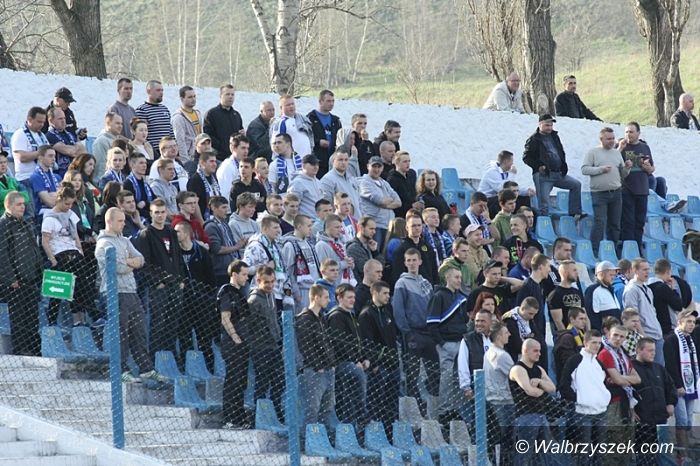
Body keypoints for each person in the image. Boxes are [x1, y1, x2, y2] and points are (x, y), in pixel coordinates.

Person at [95, 207, 166, 382]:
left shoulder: (124, 241)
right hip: (115, 293)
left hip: (131, 291)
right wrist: (130, 263)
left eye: (124, 220)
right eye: (120, 221)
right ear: (109, 221)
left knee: (139, 331)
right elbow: (118, 268)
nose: (123, 224)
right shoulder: (104, 244)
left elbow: (141, 259)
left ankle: (146, 368)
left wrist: (129, 262)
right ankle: (121, 370)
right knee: (121, 333)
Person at [134, 199, 184, 353]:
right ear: (151, 214)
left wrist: (181, 279)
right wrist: (156, 282)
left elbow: (178, 257)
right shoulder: (146, 234)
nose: (160, 215)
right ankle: (155, 355)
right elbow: (144, 262)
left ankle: (170, 354)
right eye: (157, 212)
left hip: (175, 283)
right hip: (158, 286)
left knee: (173, 321)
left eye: (163, 212)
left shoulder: (171, 232)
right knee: (158, 321)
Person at [393, 248, 439, 408]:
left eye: (414, 260)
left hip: (428, 334)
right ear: (405, 263)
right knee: (412, 374)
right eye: (409, 260)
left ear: (420, 261)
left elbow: (433, 308)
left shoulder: (426, 283)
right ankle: (414, 408)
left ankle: (432, 408)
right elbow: (398, 311)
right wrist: (407, 333)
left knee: (434, 372)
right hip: (413, 334)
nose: (412, 263)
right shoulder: (401, 283)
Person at [558, 330, 609, 465]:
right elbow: (563, 386)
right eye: (594, 342)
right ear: (585, 342)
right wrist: (580, 400)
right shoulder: (574, 360)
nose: (597, 346)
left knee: (601, 452)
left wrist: (603, 398)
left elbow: (603, 384)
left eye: (599, 343)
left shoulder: (598, 363)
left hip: (601, 412)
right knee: (583, 453)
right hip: (582, 413)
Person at [0, 191, 42, 355]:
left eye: (24, 204)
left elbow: (34, 250)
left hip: (31, 279)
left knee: (33, 317)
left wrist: (40, 273)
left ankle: (34, 350)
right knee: (19, 318)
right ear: (8, 205)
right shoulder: (3, 225)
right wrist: (11, 278)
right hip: (16, 281)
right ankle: (21, 350)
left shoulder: (25, 223)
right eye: (19, 204)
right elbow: (2, 254)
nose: (23, 207)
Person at [427, 267, 469, 423]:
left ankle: (455, 408)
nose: (459, 280)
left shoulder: (461, 297)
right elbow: (431, 323)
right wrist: (441, 343)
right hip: (446, 344)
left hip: (461, 342)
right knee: (446, 378)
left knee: (460, 377)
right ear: (448, 278)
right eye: (456, 277)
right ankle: (444, 411)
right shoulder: (438, 297)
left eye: (460, 277)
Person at [174, 220, 217, 369]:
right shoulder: (175, 253)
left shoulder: (200, 252)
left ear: (186, 233)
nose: (175, 234)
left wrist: (209, 297)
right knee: (184, 336)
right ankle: (187, 367)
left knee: (204, 336)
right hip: (183, 301)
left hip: (202, 301)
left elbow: (210, 276)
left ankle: (209, 368)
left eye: (178, 231)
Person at [581, 127, 631, 254]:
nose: (611, 141)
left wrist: (627, 168)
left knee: (615, 224)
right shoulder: (593, 152)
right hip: (599, 194)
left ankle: (612, 250)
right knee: (600, 222)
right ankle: (595, 251)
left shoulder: (616, 153)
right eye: (608, 139)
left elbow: (623, 174)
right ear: (601, 139)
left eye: (613, 138)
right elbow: (584, 169)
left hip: (616, 192)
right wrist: (601, 169)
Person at [523, 114, 583, 217]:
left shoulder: (554, 136)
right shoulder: (533, 139)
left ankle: (575, 213)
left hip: (558, 173)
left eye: (551, 125)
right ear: (540, 124)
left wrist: (563, 166)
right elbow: (526, 157)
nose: (550, 128)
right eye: (547, 125)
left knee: (576, 185)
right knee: (544, 205)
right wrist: (538, 166)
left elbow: (560, 152)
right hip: (543, 176)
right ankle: (543, 224)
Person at [326, 284, 369, 428]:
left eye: (354, 297)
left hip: (354, 361)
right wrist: (355, 361)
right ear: (339, 298)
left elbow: (359, 341)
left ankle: (359, 421)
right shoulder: (336, 316)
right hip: (342, 362)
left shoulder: (352, 315)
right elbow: (340, 343)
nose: (353, 300)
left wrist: (364, 358)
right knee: (356, 374)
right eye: (349, 297)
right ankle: (361, 415)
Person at [358, 281, 400, 427]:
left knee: (392, 401)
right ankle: (374, 429)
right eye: (385, 293)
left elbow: (393, 336)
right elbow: (367, 341)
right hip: (378, 366)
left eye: (389, 293)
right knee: (376, 400)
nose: (388, 296)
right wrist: (374, 362)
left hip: (392, 363)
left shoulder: (387, 311)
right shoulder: (366, 314)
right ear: (375, 293)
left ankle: (390, 429)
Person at [598, 324, 641, 466]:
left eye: (622, 336)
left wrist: (621, 378)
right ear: (608, 335)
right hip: (612, 403)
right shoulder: (605, 353)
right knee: (614, 441)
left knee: (627, 441)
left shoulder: (623, 354)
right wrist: (622, 379)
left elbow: (638, 379)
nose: (618, 339)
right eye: (615, 335)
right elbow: (618, 380)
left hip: (626, 401)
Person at [509, 339, 556, 466]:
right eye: (535, 351)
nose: (539, 354)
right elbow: (530, 391)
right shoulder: (518, 369)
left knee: (545, 453)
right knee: (524, 455)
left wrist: (540, 382)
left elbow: (552, 388)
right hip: (525, 417)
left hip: (541, 415)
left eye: (539, 351)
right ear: (525, 351)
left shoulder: (539, 369)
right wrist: (543, 390)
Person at [247, 266, 285, 420]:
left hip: (274, 345)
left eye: (272, 281)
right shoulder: (254, 300)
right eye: (266, 282)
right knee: (262, 382)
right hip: (260, 347)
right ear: (258, 281)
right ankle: (259, 414)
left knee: (279, 380)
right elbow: (250, 325)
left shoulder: (271, 296)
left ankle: (276, 411)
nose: (270, 285)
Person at [296, 284, 336, 430]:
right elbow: (306, 346)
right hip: (314, 370)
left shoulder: (321, 318)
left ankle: (325, 436)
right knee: (312, 408)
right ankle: (308, 437)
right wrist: (317, 366)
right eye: (326, 297)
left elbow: (327, 343)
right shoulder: (304, 319)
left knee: (327, 408)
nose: (329, 300)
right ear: (316, 298)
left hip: (328, 368)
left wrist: (332, 363)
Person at [218, 260, 253, 428]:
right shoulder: (227, 292)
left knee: (241, 380)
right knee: (233, 379)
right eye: (244, 274)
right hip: (233, 344)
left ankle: (239, 416)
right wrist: (235, 338)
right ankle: (230, 417)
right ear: (234, 274)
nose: (246, 277)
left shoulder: (239, 293)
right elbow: (225, 318)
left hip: (243, 343)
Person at [632, 337, 677, 466]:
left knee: (664, 453)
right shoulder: (631, 368)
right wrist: (631, 410)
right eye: (649, 350)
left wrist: (671, 403)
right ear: (638, 350)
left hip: (661, 418)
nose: (653, 353)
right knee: (644, 456)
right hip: (642, 421)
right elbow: (626, 391)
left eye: (654, 350)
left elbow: (671, 387)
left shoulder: (659, 368)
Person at [663, 309, 698, 449]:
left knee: (688, 420)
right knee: (682, 420)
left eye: (693, 322)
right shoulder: (671, 339)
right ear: (679, 322)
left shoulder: (691, 340)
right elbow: (670, 365)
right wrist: (678, 385)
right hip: (678, 387)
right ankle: (683, 455)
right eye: (688, 321)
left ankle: (686, 450)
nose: (692, 324)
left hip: (691, 386)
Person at [618, 122, 655, 250]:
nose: (629, 135)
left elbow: (652, 169)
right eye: (626, 132)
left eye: (631, 132)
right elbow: (612, 161)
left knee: (640, 222)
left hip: (642, 189)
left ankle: (637, 248)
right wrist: (619, 148)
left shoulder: (645, 147)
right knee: (628, 221)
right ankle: (629, 250)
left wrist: (648, 167)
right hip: (626, 189)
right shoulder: (621, 146)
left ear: (638, 133)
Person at [483, 321, 515, 466]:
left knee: (498, 438)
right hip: (504, 401)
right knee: (506, 439)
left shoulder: (488, 352)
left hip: (493, 400)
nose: (509, 334)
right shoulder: (502, 356)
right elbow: (516, 376)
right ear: (498, 336)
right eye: (506, 332)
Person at [244, 216, 292, 310]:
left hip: (280, 294)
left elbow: (284, 270)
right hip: (263, 295)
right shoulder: (255, 246)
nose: (278, 230)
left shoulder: (277, 246)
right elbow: (245, 269)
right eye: (275, 228)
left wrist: (288, 293)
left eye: (279, 227)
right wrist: (265, 267)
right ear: (265, 229)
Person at [623, 259, 664, 365]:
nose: (647, 272)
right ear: (635, 270)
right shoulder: (631, 290)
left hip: (657, 334)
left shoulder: (647, 289)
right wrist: (643, 336)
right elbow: (632, 317)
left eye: (648, 269)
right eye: (644, 269)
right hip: (646, 335)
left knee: (659, 370)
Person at [280, 214, 321, 312]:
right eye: (308, 226)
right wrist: (295, 292)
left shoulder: (310, 243)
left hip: (315, 288)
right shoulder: (290, 245)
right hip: (302, 291)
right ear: (299, 226)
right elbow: (288, 272)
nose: (311, 228)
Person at [359, 156, 401, 247]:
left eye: (379, 167)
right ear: (368, 166)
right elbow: (380, 200)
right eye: (374, 166)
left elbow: (398, 202)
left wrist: (385, 204)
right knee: (375, 251)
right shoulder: (364, 182)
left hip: (388, 226)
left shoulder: (385, 183)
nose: (377, 169)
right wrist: (387, 201)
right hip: (375, 226)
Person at [478, 150, 535, 217]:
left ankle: (525, 218)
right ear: (506, 161)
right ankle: (511, 218)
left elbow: (513, 186)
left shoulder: (505, 172)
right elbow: (504, 189)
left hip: (497, 197)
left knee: (524, 198)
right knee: (507, 198)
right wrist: (512, 174)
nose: (512, 164)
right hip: (487, 200)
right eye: (512, 161)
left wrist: (526, 191)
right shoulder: (492, 172)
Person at [648, 258, 692, 338]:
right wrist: (673, 289)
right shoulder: (663, 288)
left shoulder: (647, 286)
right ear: (668, 272)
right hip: (667, 328)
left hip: (653, 325)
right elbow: (678, 305)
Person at [390, 214, 438, 285]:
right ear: (407, 227)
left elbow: (434, 270)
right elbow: (397, 273)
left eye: (419, 225)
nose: (417, 228)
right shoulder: (401, 249)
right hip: (410, 287)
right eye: (413, 226)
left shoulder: (428, 247)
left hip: (428, 286)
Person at [204, 197, 239, 287]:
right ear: (214, 208)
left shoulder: (224, 223)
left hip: (232, 267)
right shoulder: (210, 226)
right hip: (222, 271)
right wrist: (237, 247)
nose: (226, 210)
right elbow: (217, 249)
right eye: (223, 207)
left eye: (227, 207)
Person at [135, 80, 174, 159]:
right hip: (152, 153)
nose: (161, 93)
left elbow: (170, 131)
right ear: (149, 91)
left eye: (162, 90)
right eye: (158, 90)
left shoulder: (165, 109)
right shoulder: (142, 110)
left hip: (168, 153)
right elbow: (140, 134)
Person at [203, 84, 244, 160]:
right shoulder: (211, 114)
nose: (230, 97)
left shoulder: (236, 115)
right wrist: (221, 147)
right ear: (220, 95)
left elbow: (240, 134)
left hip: (234, 156)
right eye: (227, 94)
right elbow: (208, 135)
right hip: (218, 157)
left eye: (232, 94)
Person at [307, 90, 342, 177]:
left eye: (333, 101)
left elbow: (340, 138)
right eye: (328, 101)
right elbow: (306, 138)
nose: (331, 104)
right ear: (320, 101)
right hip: (317, 161)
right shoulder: (310, 118)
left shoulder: (336, 120)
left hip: (333, 161)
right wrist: (318, 142)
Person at [269, 94, 314, 161]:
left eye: (292, 104)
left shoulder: (301, 120)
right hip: (293, 161)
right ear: (281, 108)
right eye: (288, 105)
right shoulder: (280, 123)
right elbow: (275, 144)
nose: (291, 106)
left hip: (306, 161)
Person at [315, 214, 355, 286]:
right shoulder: (321, 245)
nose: (340, 230)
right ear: (327, 228)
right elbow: (324, 267)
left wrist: (350, 263)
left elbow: (345, 262)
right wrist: (343, 264)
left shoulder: (340, 242)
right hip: (332, 286)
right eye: (337, 227)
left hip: (345, 283)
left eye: (340, 227)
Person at [319, 148, 361, 217]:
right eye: (340, 160)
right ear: (333, 161)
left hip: (356, 221)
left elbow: (359, 202)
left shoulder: (352, 179)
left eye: (346, 160)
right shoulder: (327, 180)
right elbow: (326, 205)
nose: (343, 162)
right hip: (340, 221)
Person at [12, 106, 49, 183]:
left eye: (43, 122)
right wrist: (42, 152)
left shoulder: (42, 135)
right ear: (29, 119)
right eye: (39, 122)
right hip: (27, 178)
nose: (42, 125)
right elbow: (21, 157)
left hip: (43, 176)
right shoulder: (20, 134)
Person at [45, 107, 85, 177]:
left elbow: (83, 154)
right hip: (60, 175)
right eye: (60, 119)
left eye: (64, 118)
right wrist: (78, 145)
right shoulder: (49, 135)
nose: (63, 121)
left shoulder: (69, 134)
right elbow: (72, 152)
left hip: (75, 174)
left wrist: (78, 146)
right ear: (51, 121)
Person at [584, 260, 622, 331]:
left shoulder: (611, 289)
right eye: (610, 275)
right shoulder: (592, 290)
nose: (613, 277)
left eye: (614, 275)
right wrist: (600, 334)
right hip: (604, 334)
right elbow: (591, 316)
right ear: (601, 274)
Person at [547, 260, 584, 331]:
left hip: (581, 334)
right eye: (574, 270)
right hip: (566, 334)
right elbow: (558, 321)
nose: (577, 273)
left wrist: (588, 334)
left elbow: (585, 315)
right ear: (565, 273)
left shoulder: (577, 292)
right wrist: (567, 335)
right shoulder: (555, 295)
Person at [553, 307, 588, 380]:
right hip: (569, 378)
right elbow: (568, 362)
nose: (584, 322)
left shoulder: (581, 335)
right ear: (572, 319)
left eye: (585, 319)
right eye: (581, 319)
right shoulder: (566, 338)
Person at [502, 297, 541, 363]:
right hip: (514, 358)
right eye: (530, 314)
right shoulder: (510, 319)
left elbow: (538, 337)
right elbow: (515, 344)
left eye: (534, 314)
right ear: (522, 309)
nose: (532, 317)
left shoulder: (530, 319)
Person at [187, 151, 221, 221]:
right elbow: (194, 203)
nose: (214, 164)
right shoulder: (195, 180)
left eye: (215, 161)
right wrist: (202, 222)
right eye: (211, 161)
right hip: (203, 220)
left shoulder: (214, 178)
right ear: (202, 163)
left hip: (215, 219)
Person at [171, 85, 201, 164]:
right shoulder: (178, 117)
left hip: (199, 153)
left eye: (194, 96)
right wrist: (185, 161)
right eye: (190, 97)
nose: (193, 99)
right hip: (189, 155)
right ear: (182, 99)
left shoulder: (197, 113)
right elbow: (180, 140)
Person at [387, 151, 422, 219]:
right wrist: (411, 206)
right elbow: (394, 202)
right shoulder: (392, 179)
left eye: (409, 161)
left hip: (413, 213)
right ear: (397, 163)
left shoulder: (412, 174)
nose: (408, 164)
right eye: (405, 161)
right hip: (400, 215)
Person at [346, 216, 382, 282]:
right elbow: (366, 271)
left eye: (375, 229)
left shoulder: (370, 245)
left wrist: (375, 252)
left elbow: (381, 267)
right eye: (371, 229)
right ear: (361, 228)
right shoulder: (354, 248)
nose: (374, 232)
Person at [29, 145, 60, 218]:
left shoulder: (57, 177)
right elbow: (50, 203)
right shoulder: (36, 177)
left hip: (57, 212)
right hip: (43, 215)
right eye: (50, 156)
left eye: (54, 156)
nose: (53, 159)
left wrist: (53, 195)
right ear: (40, 158)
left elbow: (66, 198)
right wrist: (58, 196)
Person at [217, 134, 250, 200]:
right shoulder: (227, 167)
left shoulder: (245, 164)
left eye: (247, 148)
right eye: (243, 148)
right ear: (234, 148)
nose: (246, 151)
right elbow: (226, 193)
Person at [123, 152, 154, 222]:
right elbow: (132, 207)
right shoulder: (128, 184)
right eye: (141, 163)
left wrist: (145, 203)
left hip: (151, 216)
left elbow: (154, 200)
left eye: (145, 163)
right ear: (132, 165)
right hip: (137, 219)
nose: (144, 166)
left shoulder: (145, 183)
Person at [93, 113, 124, 178]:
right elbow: (101, 166)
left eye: (121, 124)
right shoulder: (101, 141)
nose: (120, 126)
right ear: (108, 123)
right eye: (117, 123)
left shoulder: (117, 140)